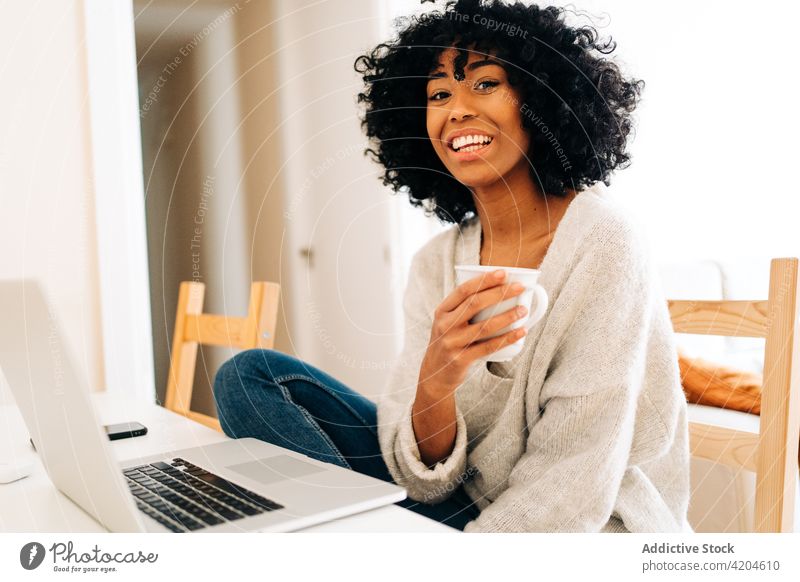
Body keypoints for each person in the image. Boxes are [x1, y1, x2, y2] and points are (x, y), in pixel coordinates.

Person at [213, 0, 692, 532]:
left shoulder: (604, 240)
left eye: (484, 84)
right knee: (249, 377)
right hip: (457, 506)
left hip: (579, 526)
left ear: (539, 102)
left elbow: (576, 474)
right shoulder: (435, 262)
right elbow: (424, 482)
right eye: (439, 94)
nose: (456, 110)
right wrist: (434, 383)